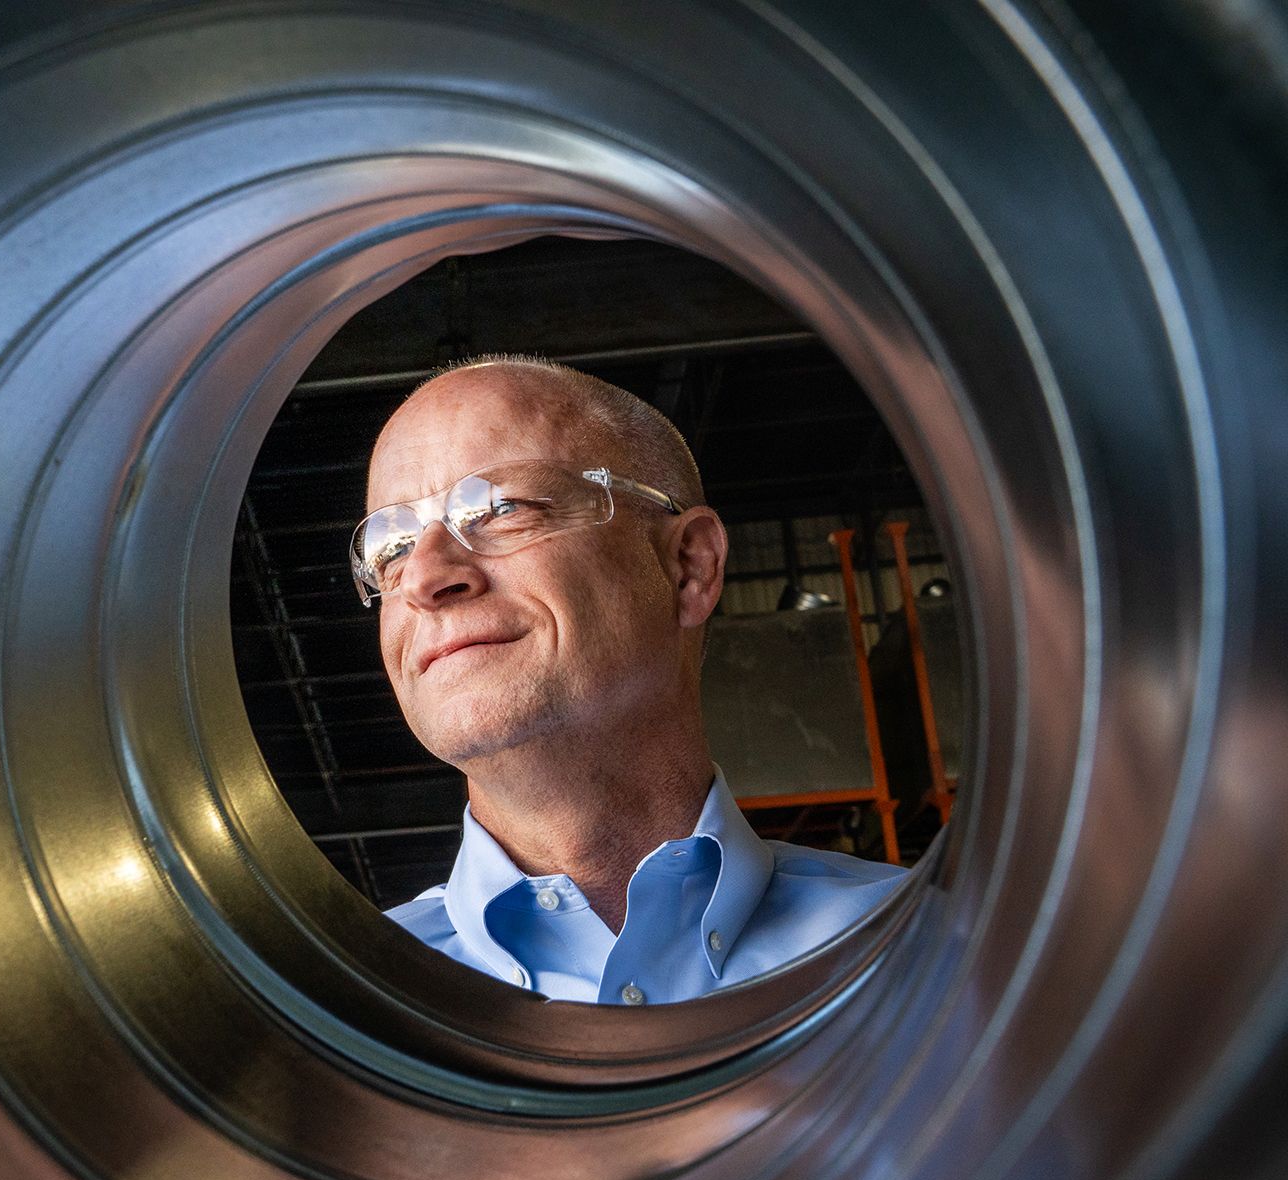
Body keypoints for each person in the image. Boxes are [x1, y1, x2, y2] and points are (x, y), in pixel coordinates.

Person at [355, 354, 908, 1005]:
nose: (422, 579)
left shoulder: (933, 953)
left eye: (500, 507)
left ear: (688, 567)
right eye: (391, 550)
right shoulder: (329, 1019)